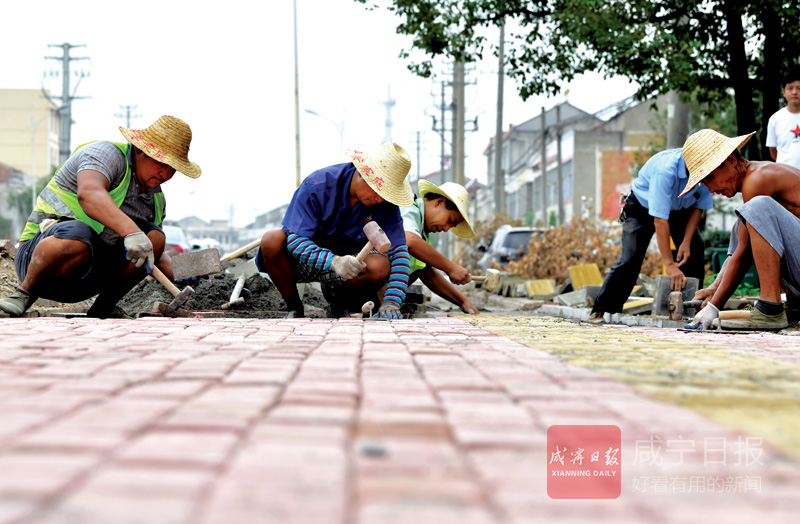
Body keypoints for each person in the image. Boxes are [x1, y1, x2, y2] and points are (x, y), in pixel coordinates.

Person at [0, 115, 201, 319]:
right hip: (39, 264)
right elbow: (89, 194)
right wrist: (131, 231)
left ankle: (103, 307)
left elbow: (149, 252)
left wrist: (185, 269)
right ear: (141, 149)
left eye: (172, 169)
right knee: (78, 233)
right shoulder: (105, 155)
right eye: (161, 163)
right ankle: (23, 294)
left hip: (87, 281)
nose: (165, 174)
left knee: (155, 237)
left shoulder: (156, 199)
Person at [258, 142, 413, 319]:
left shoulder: (386, 204)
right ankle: (294, 308)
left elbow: (399, 253)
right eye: (378, 190)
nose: (379, 199)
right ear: (362, 173)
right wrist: (334, 262)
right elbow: (296, 241)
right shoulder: (318, 185)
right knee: (271, 240)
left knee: (380, 265)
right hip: (306, 261)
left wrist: (392, 301)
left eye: (386, 194)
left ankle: (339, 303)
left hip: (352, 269)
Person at [680, 128, 800, 330]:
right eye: (704, 183)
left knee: (756, 208)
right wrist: (713, 289)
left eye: (710, 178)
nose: (711, 189)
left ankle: (770, 309)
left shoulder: (756, 180)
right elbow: (738, 251)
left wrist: (713, 307)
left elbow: (743, 255)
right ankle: (795, 305)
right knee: (742, 222)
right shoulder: (757, 175)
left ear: (731, 161)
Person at [587, 139, 715, 322]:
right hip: (642, 207)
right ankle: (602, 309)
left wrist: (686, 241)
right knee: (630, 258)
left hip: (678, 209)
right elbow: (660, 221)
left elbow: (698, 206)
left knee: (694, 249)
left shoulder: (709, 169)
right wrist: (669, 265)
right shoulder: (666, 170)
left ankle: (692, 309)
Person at [401, 180, 478, 314]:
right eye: (450, 221)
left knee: (423, 267)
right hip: (364, 281)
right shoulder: (408, 208)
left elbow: (428, 273)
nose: (446, 229)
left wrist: (463, 302)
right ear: (439, 202)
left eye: (451, 226)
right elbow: (409, 240)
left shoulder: (422, 233)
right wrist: (451, 268)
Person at [766, 68, 800, 169]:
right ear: (784, 91)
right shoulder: (775, 119)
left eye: (799, 88)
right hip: (784, 177)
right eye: (790, 88)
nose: (794, 92)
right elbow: (773, 152)